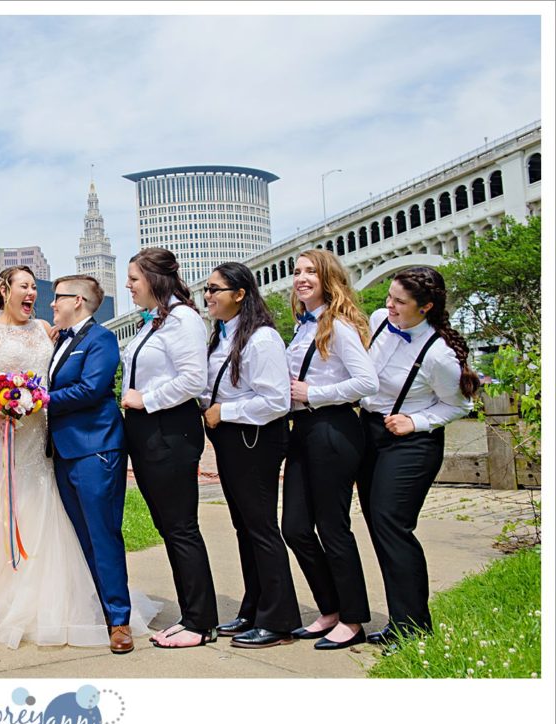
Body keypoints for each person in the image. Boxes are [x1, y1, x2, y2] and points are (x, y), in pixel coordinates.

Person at [0, 266, 158, 649]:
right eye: (24, 286)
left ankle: (72, 601)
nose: (33, 293)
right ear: (4, 291)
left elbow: (64, 377)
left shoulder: (46, 329)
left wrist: (32, 402)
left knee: (53, 509)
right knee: (9, 504)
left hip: (45, 433)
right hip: (6, 433)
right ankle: (6, 598)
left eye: (35, 287)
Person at [358, 266, 477, 644]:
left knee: (392, 524)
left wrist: (417, 421)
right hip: (370, 431)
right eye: (389, 297)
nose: (389, 305)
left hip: (411, 443)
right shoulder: (379, 321)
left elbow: (458, 406)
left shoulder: (438, 355)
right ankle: (399, 620)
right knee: (379, 527)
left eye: (399, 302)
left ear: (425, 308)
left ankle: (413, 626)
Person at [281, 249, 378, 650]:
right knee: (296, 528)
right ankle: (330, 608)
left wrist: (313, 393)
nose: (301, 278)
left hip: (333, 429)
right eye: (297, 272)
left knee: (333, 527)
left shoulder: (337, 325)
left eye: (310, 272)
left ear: (328, 278)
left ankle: (353, 618)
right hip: (302, 430)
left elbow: (366, 381)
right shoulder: (304, 326)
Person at [121, 247, 218, 649]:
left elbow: (194, 379)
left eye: (134, 279)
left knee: (181, 527)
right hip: (147, 432)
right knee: (168, 526)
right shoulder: (155, 321)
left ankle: (199, 621)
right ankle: (193, 613)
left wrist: (147, 399)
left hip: (169, 432)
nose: (128, 286)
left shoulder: (183, 320)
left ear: (155, 280)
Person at [202, 261, 299, 649]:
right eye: (206, 289)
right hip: (232, 441)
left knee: (261, 527)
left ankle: (278, 619)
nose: (208, 296)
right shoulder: (224, 336)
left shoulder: (262, 340)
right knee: (245, 527)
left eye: (215, 289)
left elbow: (277, 400)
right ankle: (254, 606)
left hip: (255, 440)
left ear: (240, 295)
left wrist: (225, 411)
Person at [47, 275, 134, 654]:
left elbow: (92, 389)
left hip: (95, 449)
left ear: (78, 300)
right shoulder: (60, 340)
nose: (51, 304)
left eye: (58, 298)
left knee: (103, 534)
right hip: (63, 452)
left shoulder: (101, 340)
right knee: (79, 535)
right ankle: (95, 606)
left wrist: (37, 397)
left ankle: (119, 619)